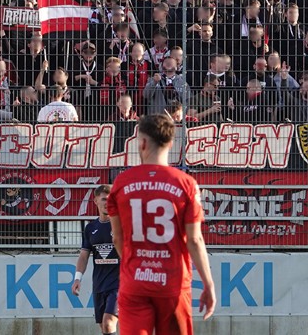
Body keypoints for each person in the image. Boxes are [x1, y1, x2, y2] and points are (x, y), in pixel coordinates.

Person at [107, 113, 215, 334]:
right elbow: (194, 239)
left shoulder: (121, 182)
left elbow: (117, 238)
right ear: (171, 143)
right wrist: (208, 283)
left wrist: (136, 264)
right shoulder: (186, 183)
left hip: (135, 281)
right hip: (173, 282)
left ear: (142, 143)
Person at [72, 184, 120, 335]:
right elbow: (84, 255)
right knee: (103, 327)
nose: (108, 203)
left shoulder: (121, 225)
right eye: (104, 199)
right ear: (96, 201)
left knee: (108, 322)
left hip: (119, 285)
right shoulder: (91, 228)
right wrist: (77, 278)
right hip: (99, 285)